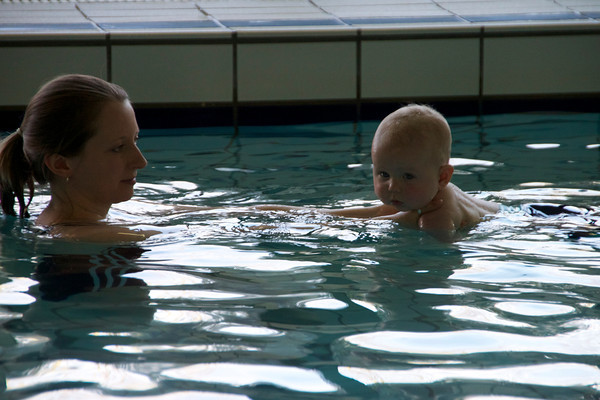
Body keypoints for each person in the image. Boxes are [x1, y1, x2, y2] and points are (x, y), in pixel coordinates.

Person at [257, 104, 499, 241]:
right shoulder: (423, 193)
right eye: (384, 174)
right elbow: (373, 212)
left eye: (407, 176)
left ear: (442, 177)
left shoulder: (436, 216)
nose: (393, 186)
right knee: (326, 215)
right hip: (504, 212)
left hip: (522, 221)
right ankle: (251, 210)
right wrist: (308, 216)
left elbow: (437, 254)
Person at [0, 74, 156, 242]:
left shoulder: (93, 217)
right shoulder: (83, 236)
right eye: (117, 148)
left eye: (135, 140)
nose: (141, 162)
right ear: (61, 164)